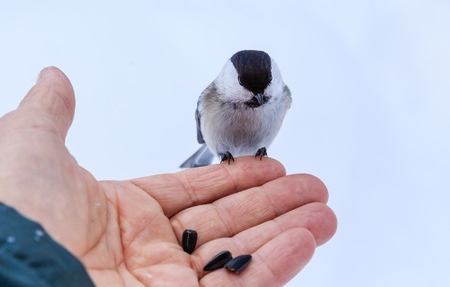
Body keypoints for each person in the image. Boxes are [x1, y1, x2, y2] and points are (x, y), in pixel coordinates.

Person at [0, 67, 337, 286]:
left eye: (264, 94)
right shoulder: (213, 96)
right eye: (249, 92)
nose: (258, 100)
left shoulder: (283, 96)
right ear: (230, 81)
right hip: (220, 147)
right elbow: (203, 125)